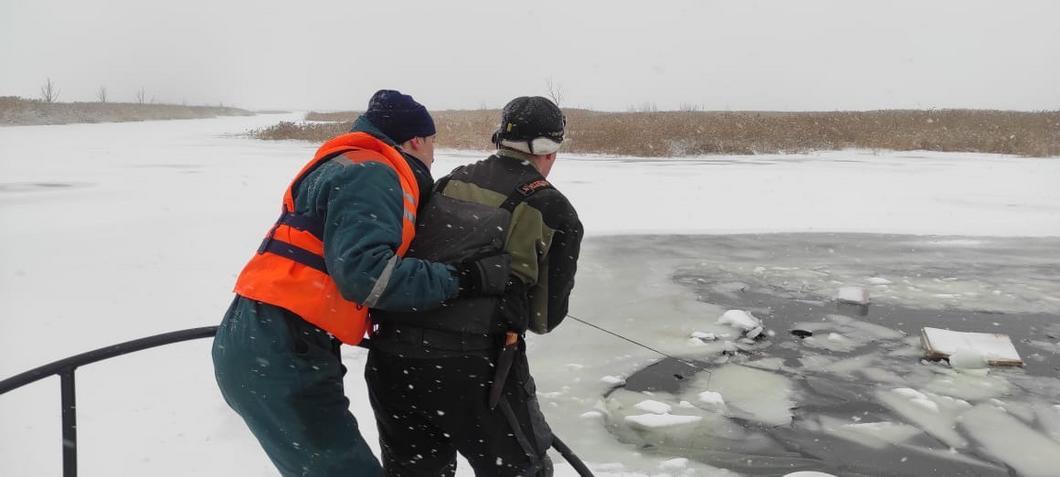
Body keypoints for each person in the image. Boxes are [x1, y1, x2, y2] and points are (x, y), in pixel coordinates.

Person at [211, 90, 511, 477]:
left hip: (258, 334)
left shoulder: (343, 163)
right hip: (283, 347)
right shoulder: (372, 173)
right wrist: (465, 279)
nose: (435, 154)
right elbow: (368, 276)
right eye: (433, 141)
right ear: (415, 140)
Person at [366, 96, 584, 476]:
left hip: (392, 364)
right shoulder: (554, 210)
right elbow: (543, 319)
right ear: (551, 149)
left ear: (500, 137)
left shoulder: (449, 181)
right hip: (474, 372)